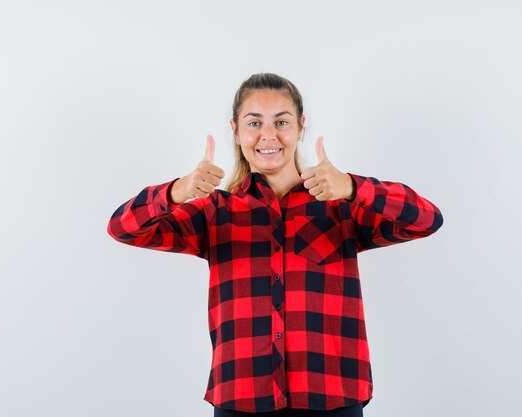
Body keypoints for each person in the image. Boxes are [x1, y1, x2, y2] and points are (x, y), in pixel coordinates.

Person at [107, 73, 444, 416]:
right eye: (254, 123)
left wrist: (355, 187)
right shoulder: (214, 213)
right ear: (236, 132)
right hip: (242, 397)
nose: (268, 135)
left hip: (332, 395)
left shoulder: (341, 205)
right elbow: (123, 228)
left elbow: (427, 219)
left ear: (300, 127)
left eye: (281, 122)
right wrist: (177, 191)